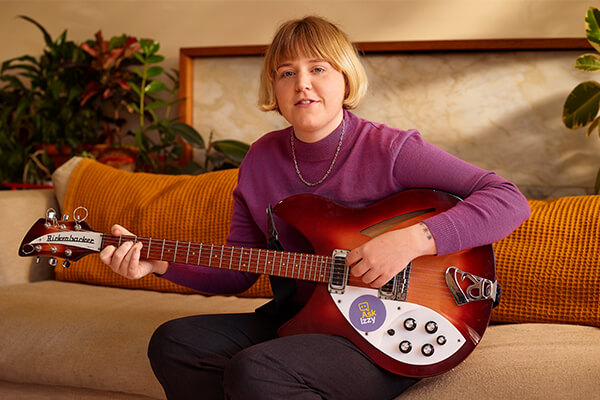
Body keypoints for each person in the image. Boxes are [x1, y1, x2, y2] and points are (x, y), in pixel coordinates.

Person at [100, 16, 530, 400]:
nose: (301, 83)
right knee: (176, 343)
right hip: (305, 317)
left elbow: (508, 198)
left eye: (317, 68)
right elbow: (240, 268)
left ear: (345, 79)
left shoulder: (391, 149)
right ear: (275, 88)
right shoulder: (260, 160)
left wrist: (411, 242)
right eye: (287, 72)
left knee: (258, 371)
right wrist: (161, 263)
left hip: (386, 330)